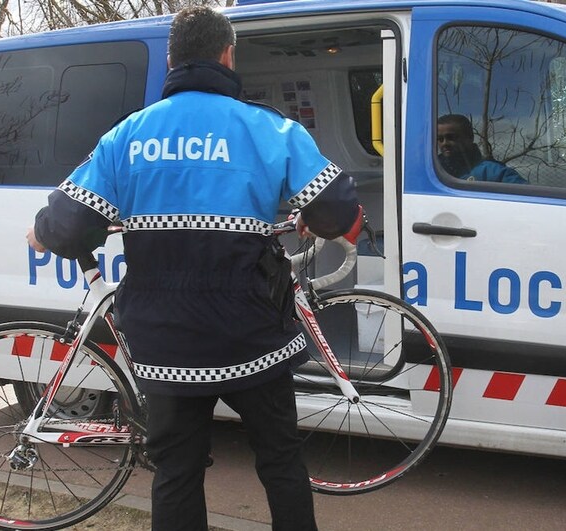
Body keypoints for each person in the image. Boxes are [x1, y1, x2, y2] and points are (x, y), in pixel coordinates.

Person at [27, 6, 362, 531]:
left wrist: (41, 232)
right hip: (254, 339)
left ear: (170, 59)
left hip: (167, 344)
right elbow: (337, 213)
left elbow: (71, 228)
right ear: (228, 55)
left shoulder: (128, 136)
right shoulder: (269, 129)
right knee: (280, 463)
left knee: (177, 473)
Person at [437, 114, 526, 184]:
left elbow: (526, 199)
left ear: (470, 138)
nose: (444, 143)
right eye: (440, 139)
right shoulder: (433, 172)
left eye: (451, 138)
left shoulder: (493, 173)